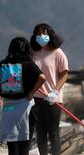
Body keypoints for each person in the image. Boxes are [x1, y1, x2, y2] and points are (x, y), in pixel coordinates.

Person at [0, 37, 46, 155]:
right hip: (26, 108)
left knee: (12, 146)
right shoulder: (29, 65)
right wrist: (32, 92)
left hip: (9, 108)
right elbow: (42, 77)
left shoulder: (3, 65)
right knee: (24, 144)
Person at [30, 23, 69, 155]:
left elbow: (64, 74)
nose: (41, 37)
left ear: (50, 35)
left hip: (53, 98)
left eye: (43, 34)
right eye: (38, 34)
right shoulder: (33, 53)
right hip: (37, 97)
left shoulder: (58, 53)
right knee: (40, 131)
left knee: (53, 131)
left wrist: (55, 90)